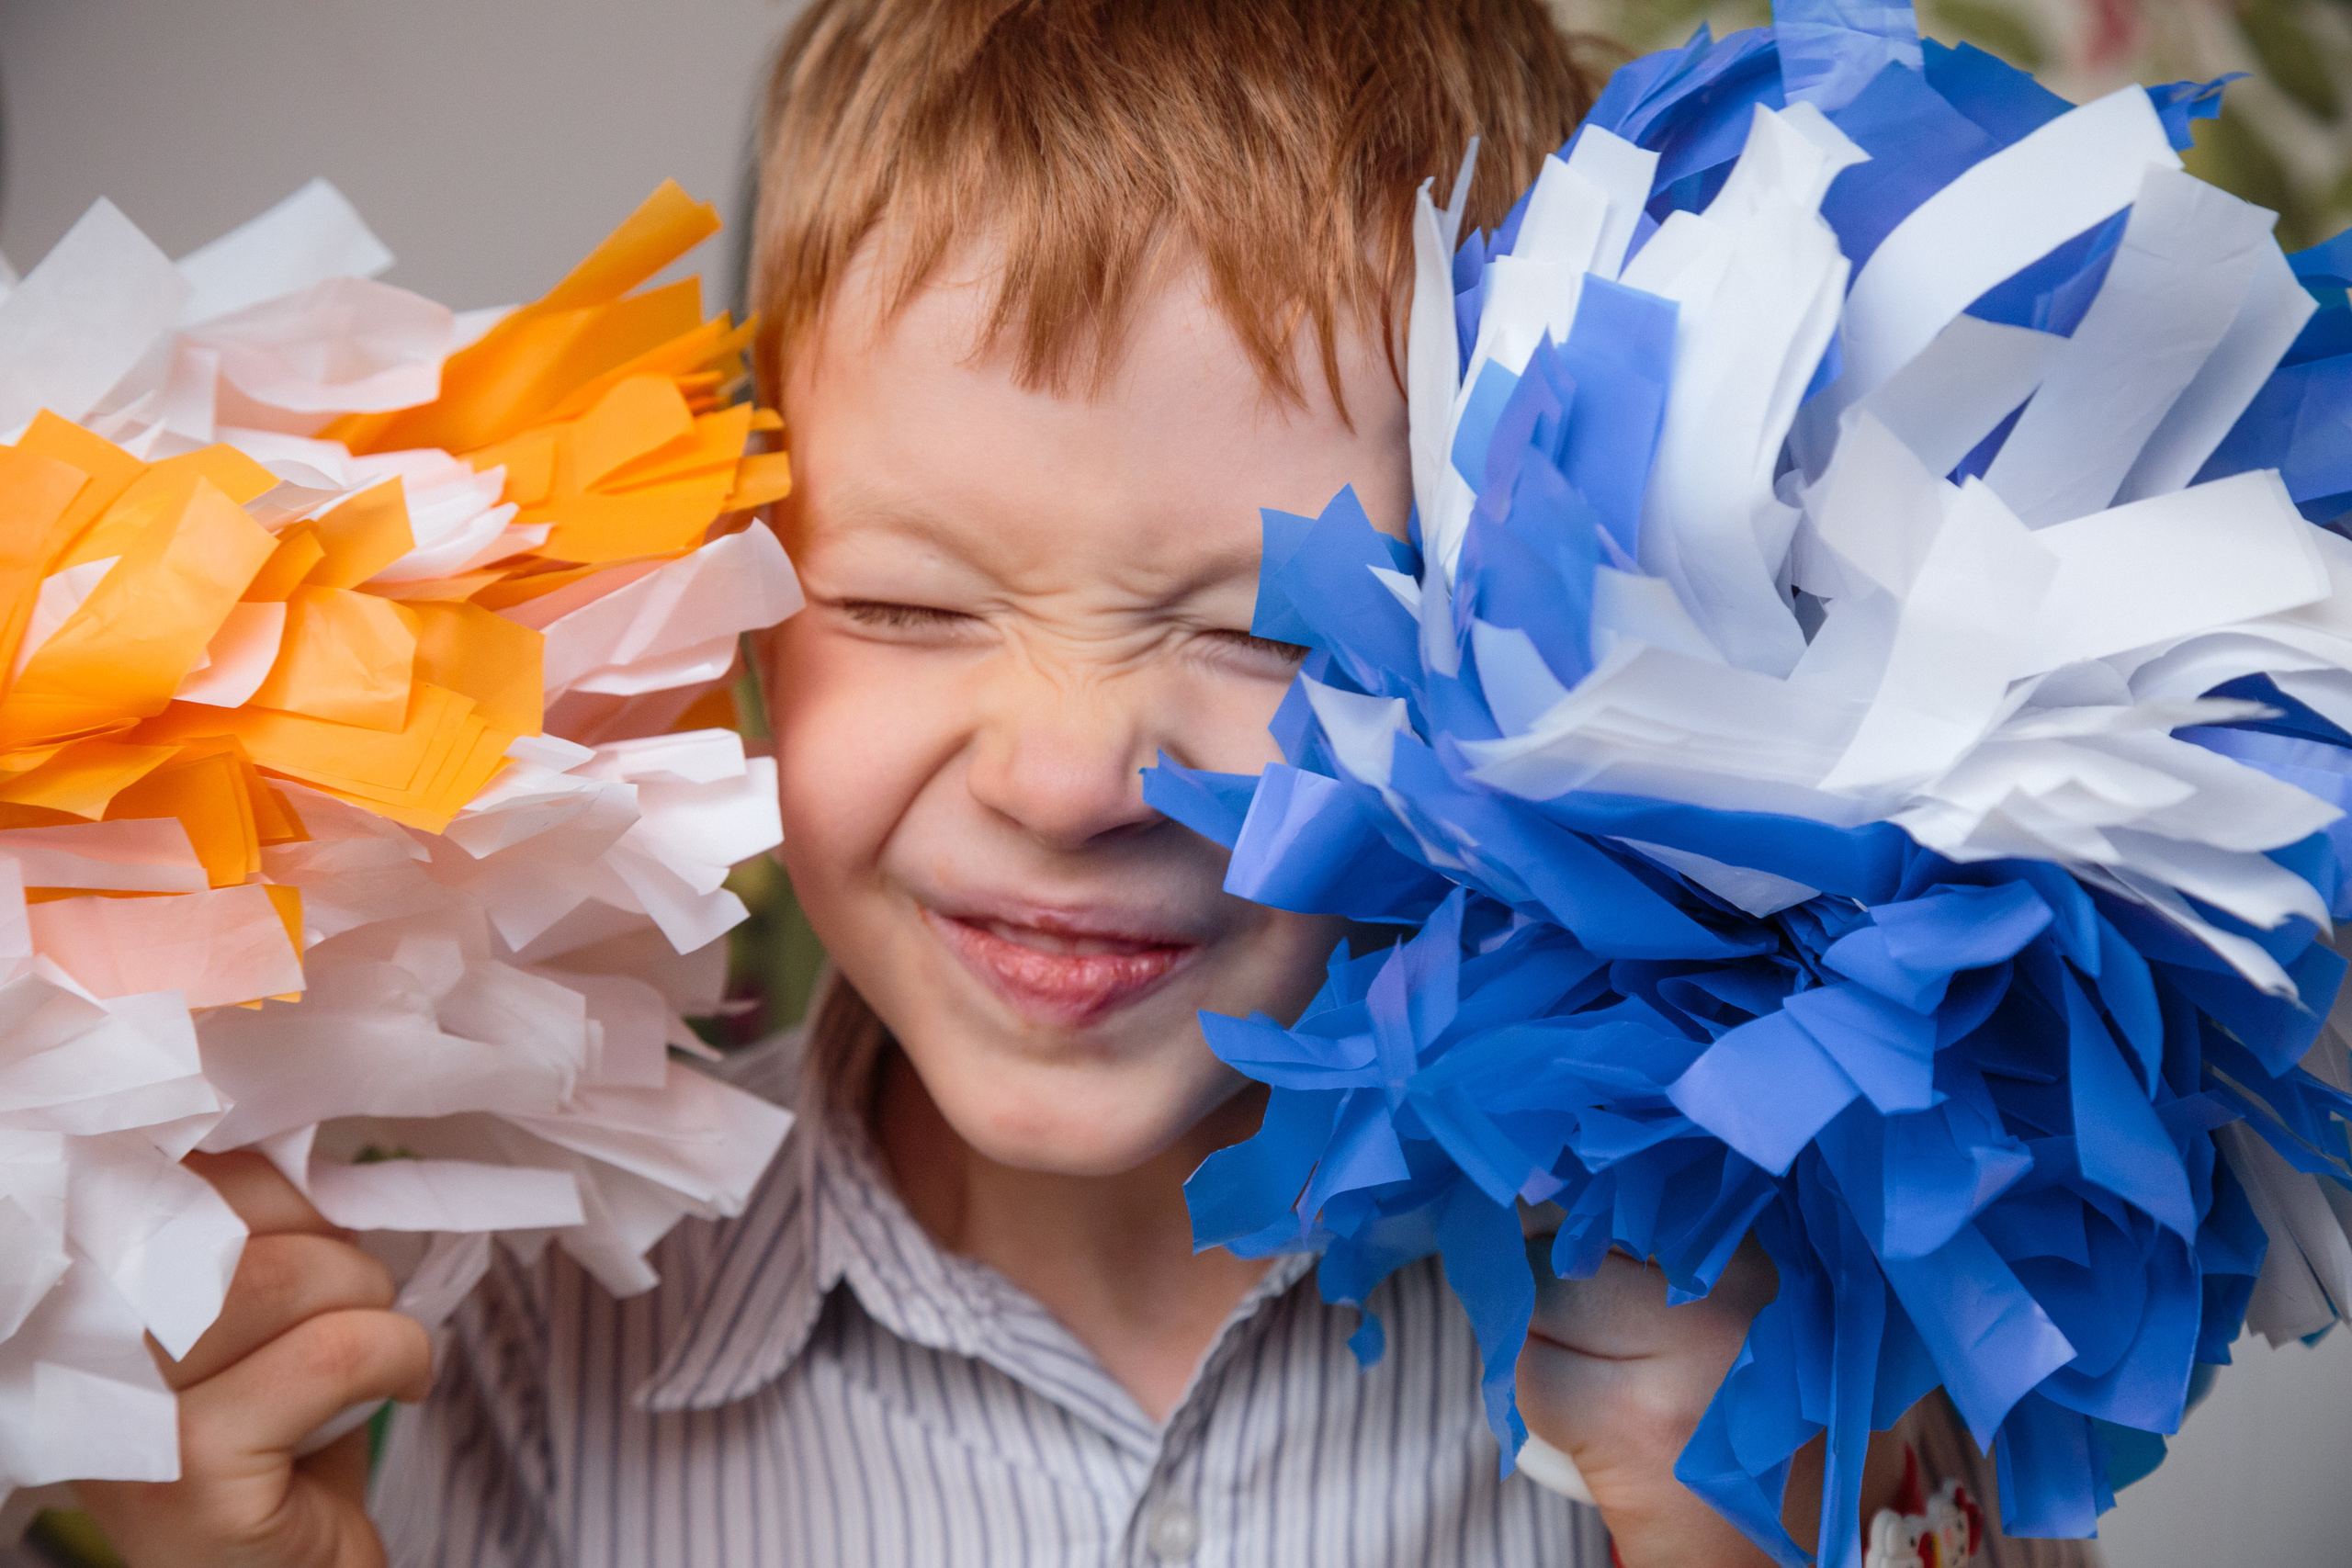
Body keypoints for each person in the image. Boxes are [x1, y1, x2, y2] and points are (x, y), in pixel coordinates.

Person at [69, 2, 2057, 1563]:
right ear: (741, 613)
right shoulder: (545, 1324)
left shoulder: (1758, 1305)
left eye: (1267, 630)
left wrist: (1750, 1532)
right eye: (907, 605)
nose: (1062, 773)